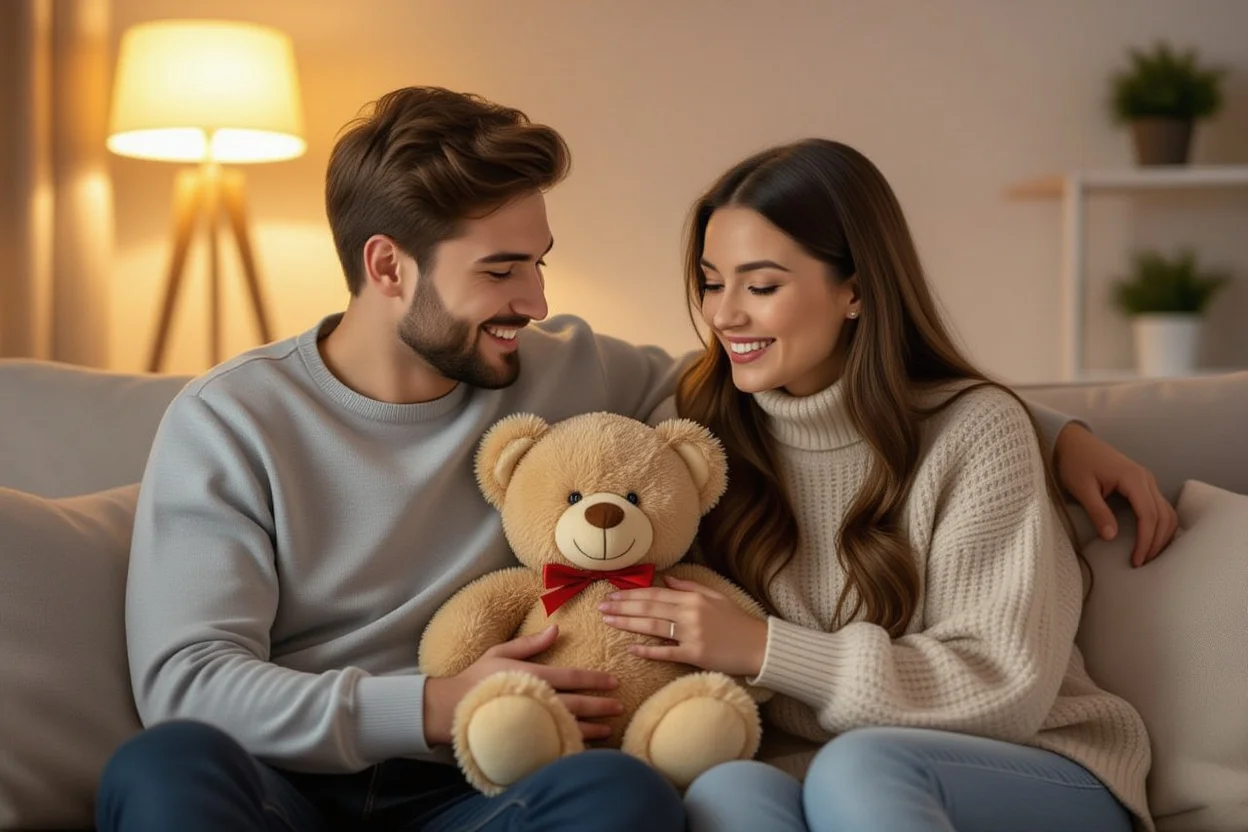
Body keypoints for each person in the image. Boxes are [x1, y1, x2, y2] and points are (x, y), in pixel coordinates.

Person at [96, 87, 1168, 831]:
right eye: (503, 271)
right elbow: (188, 682)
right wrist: (426, 701)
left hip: (482, 795)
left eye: (541, 264)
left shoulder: (568, 373)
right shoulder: (232, 420)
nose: (538, 303)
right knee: (163, 764)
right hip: (294, 784)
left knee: (630, 803)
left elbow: (836, 381)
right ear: (388, 266)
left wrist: (1054, 430)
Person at [598, 139, 1158, 831]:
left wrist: (764, 647)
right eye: (712, 281)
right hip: (813, 771)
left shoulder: (976, 431)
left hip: (1024, 764)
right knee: (730, 793)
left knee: (861, 767)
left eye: (761, 285)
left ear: (855, 290)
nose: (723, 314)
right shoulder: (695, 427)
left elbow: (1002, 687)